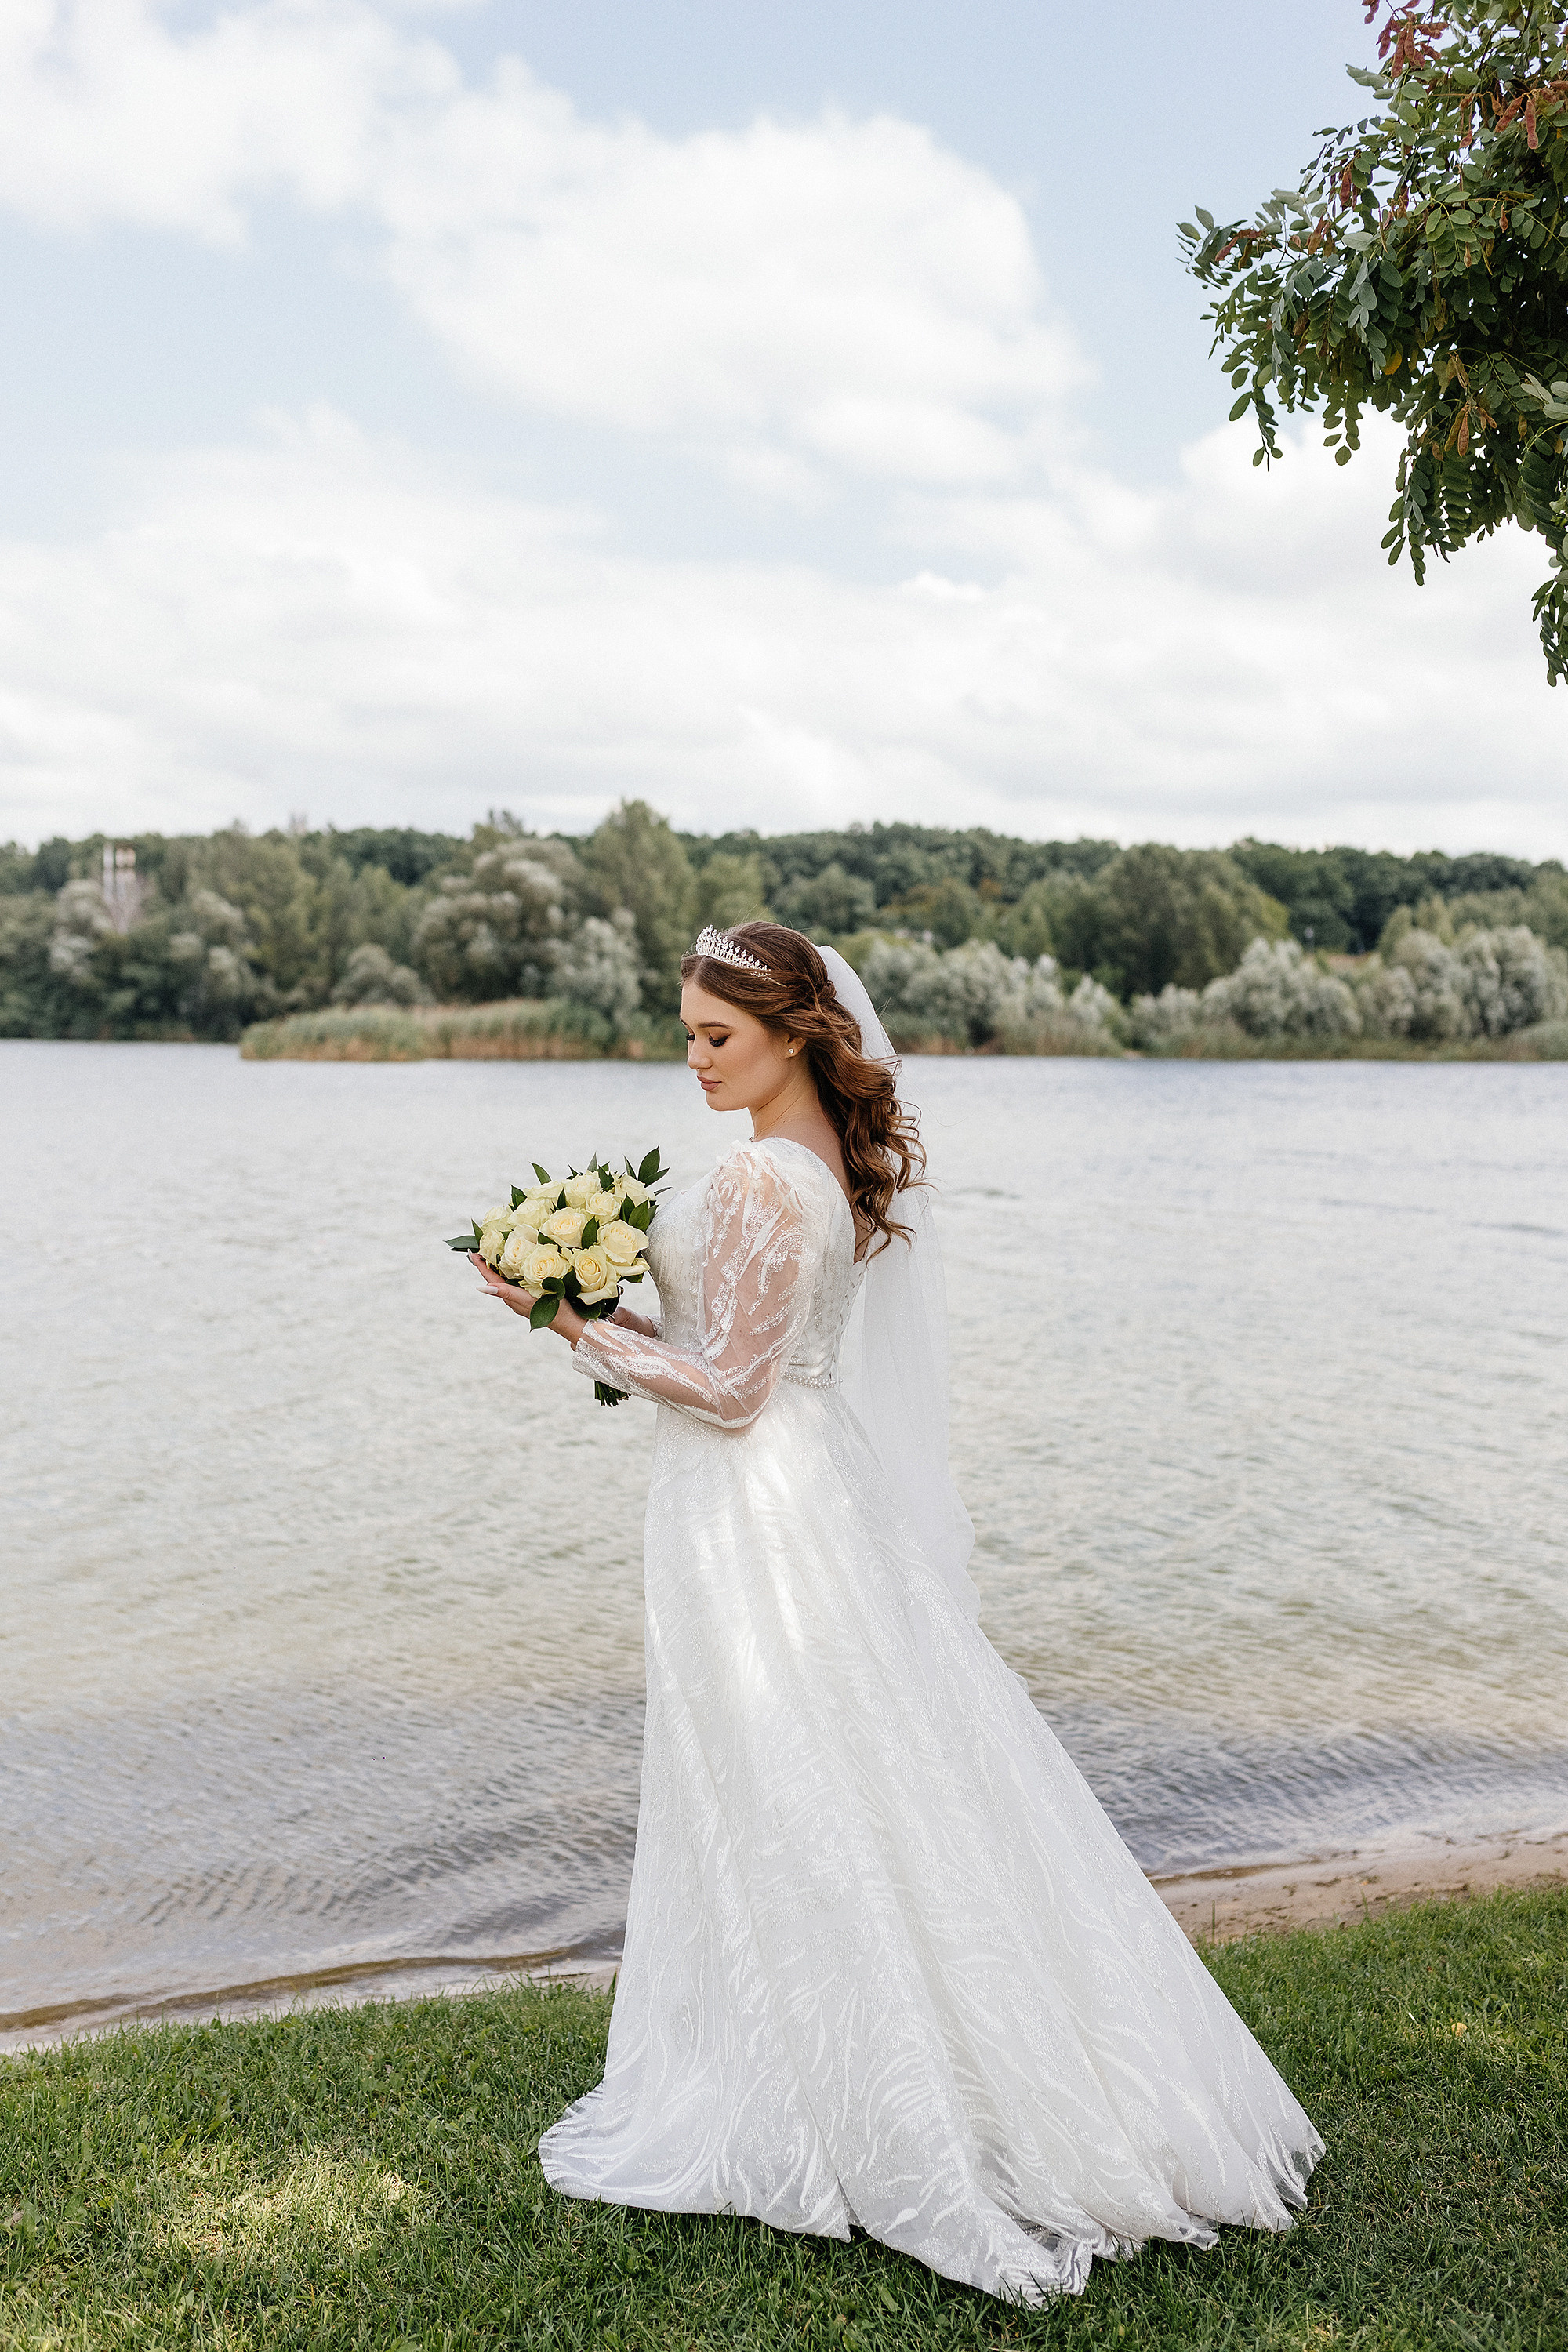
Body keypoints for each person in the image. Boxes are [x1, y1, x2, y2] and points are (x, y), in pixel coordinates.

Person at [469, 920, 1321, 2305]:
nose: (691, 1058)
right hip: (811, 1491)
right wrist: (621, 1310)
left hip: (758, 1509)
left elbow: (732, 1389)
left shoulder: (759, 1180)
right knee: (848, 1776)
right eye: (686, 1033)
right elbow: (754, 1358)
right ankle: (818, 2053)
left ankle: (837, 2093)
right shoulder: (818, 1169)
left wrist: (564, 1318)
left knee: (788, 1780)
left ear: (796, 1030)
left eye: (716, 1037)